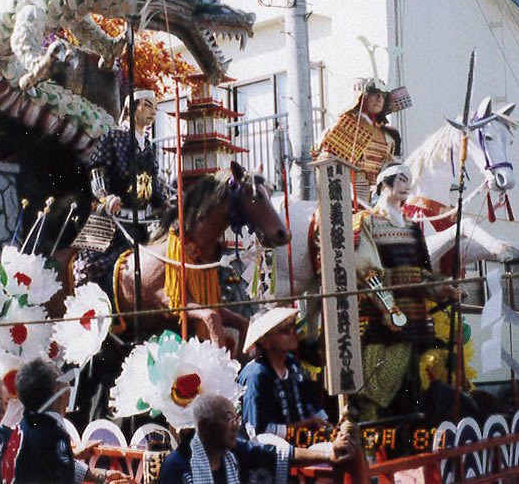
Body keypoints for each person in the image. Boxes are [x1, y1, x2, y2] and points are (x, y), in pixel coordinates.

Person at [352, 162, 460, 422]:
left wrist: (442, 288)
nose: (406, 185)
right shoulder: (366, 221)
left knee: (410, 399)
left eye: (408, 180)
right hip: (379, 326)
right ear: (384, 183)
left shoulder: (412, 227)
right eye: (401, 179)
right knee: (376, 398)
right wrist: (389, 308)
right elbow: (367, 273)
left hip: (411, 323)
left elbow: (421, 273)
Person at [74, 89, 167, 295]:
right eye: (148, 105)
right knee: (90, 268)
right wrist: (105, 197)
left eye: (156, 108)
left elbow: (152, 181)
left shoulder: (149, 147)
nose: (153, 112)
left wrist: (164, 202)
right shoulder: (112, 137)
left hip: (142, 223)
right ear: (132, 108)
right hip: (112, 219)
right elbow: (97, 171)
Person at [157, 394, 355, 484]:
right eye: (229, 420)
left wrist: (329, 454)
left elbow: (280, 454)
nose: (236, 425)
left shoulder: (234, 451)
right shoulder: (176, 466)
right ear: (206, 427)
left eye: (237, 419)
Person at [1, 358, 133, 484]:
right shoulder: (51, 432)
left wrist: (101, 476)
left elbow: (51, 465)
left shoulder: (26, 426)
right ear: (57, 389)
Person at [238, 307, 331, 439]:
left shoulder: (292, 364)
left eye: (293, 327)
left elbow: (311, 402)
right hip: (271, 454)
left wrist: (326, 425)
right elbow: (258, 432)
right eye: (285, 331)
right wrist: (304, 426)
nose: (293, 333)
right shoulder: (255, 375)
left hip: (301, 445)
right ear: (265, 341)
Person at [313, 78, 403, 204]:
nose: (379, 98)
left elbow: (390, 169)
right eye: (374, 94)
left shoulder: (389, 136)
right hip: (347, 194)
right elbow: (322, 154)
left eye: (382, 96)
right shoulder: (344, 125)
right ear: (363, 97)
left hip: (377, 197)